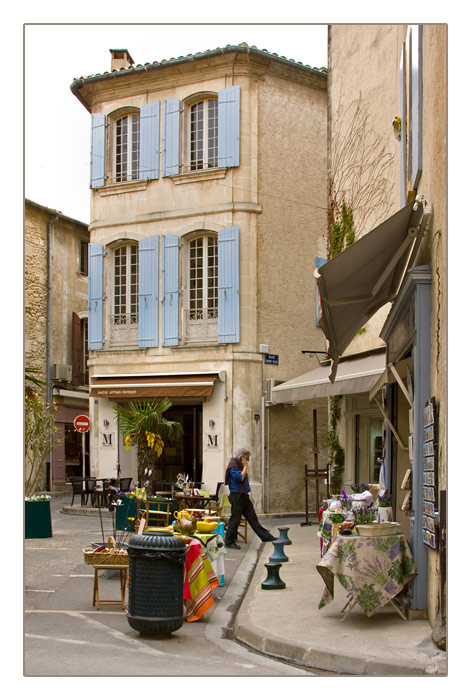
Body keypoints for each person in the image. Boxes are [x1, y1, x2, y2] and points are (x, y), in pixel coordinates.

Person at [224, 448, 276, 549]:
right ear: (242, 458)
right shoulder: (234, 466)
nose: (248, 460)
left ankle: (265, 536)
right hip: (237, 496)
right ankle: (229, 541)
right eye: (247, 458)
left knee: (252, 518)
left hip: (243, 496)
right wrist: (245, 466)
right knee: (235, 519)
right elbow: (240, 477)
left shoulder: (238, 465)